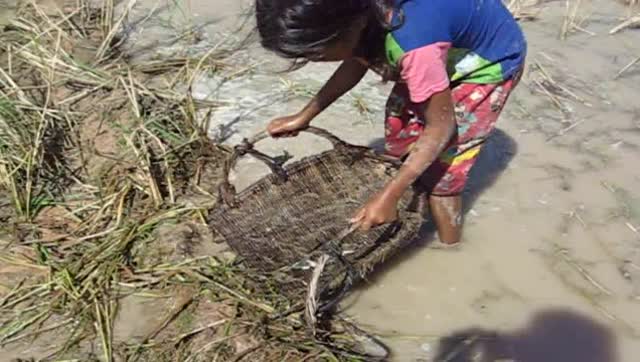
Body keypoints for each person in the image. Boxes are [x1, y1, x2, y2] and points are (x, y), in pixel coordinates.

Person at [254, 0, 526, 245]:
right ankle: (407, 196)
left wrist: (389, 196)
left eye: (315, 53)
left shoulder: (415, 45)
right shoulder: (359, 17)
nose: (313, 60)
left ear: (354, 24)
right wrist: (304, 116)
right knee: (399, 137)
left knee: (442, 175)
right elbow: (356, 59)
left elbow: (441, 128)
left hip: (487, 64)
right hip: (438, 48)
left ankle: (450, 252)